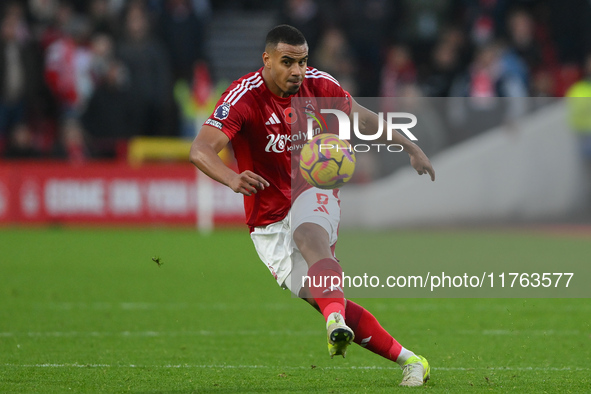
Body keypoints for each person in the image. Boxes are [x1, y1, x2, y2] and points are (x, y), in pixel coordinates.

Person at [189, 25, 435, 387]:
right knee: (324, 297)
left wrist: (409, 146)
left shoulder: (319, 85)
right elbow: (200, 149)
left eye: (302, 62)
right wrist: (231, 178)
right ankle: (411, 360)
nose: (297, 71)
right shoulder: (243, 97)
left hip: (314, 188)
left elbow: (362, 117)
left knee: (309, 235)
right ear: (267, 60)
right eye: (287, 62)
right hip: (267, 220)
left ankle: (333, 323)